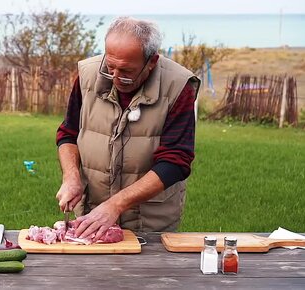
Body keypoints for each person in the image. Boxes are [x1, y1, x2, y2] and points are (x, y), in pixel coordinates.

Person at [55, 16, 200, 241]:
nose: (114, 77)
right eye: (109, 67)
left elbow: (175, 162)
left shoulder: (178, 86)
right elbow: (68, 133)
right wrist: (71, 176)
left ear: (151, 61)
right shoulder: (87, 75)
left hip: (149, 221)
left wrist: (116, 205)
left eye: (125, 71)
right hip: (91, 214)